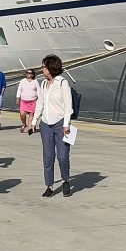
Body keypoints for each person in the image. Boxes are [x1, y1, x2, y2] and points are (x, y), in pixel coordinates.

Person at [31, 54, 73, 198]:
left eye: (43, 66)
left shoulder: (62, 83)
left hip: (61, 124)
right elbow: (40, 103)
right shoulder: (43, 84)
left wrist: (66, 124)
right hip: (45, 124)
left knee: (62, 156)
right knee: (48, 156)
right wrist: (34, 121)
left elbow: (69, 106)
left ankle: (66, 180)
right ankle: (49, 185)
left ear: (51, 67)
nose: (42, 69)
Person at [16, 68, 39, 133]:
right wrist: (18, 98)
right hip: (24, 101)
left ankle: (29, 129)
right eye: (27, 73)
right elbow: (19, 90)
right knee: (22, 114)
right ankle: (24, 124)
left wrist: (40, 99)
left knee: (31, 115)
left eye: (30, 73)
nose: (28, 74)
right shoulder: (22, 81)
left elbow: (38, 91)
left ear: (33, 74)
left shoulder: (35, 81)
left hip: (32, 101)